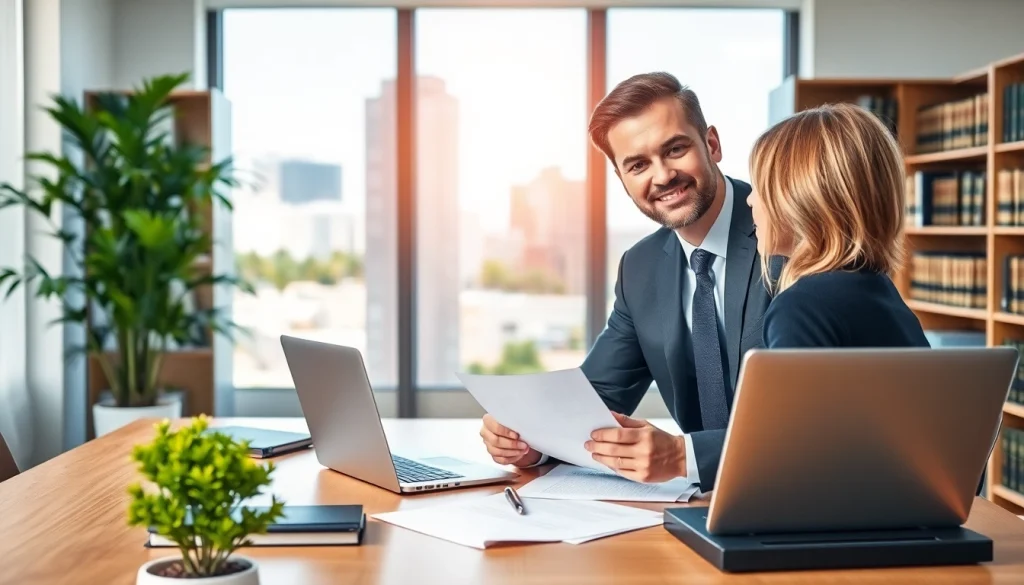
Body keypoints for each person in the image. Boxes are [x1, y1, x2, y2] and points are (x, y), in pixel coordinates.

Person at [479, 72, 772, 491]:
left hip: (800, 497)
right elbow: (597, 399)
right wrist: (530, 441)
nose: (663, 176)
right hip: (697, 508)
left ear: (712, 145)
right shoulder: (641, 267)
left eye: (675, 149)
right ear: (621, 179)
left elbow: (821, 421)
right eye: (637, 165)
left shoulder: (787, 231)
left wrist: (682, 456)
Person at [745, 102, 929, 350]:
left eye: (758, 187)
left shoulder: (800, 307)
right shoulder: (883, 294)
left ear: (800, 199)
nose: (749, 199)